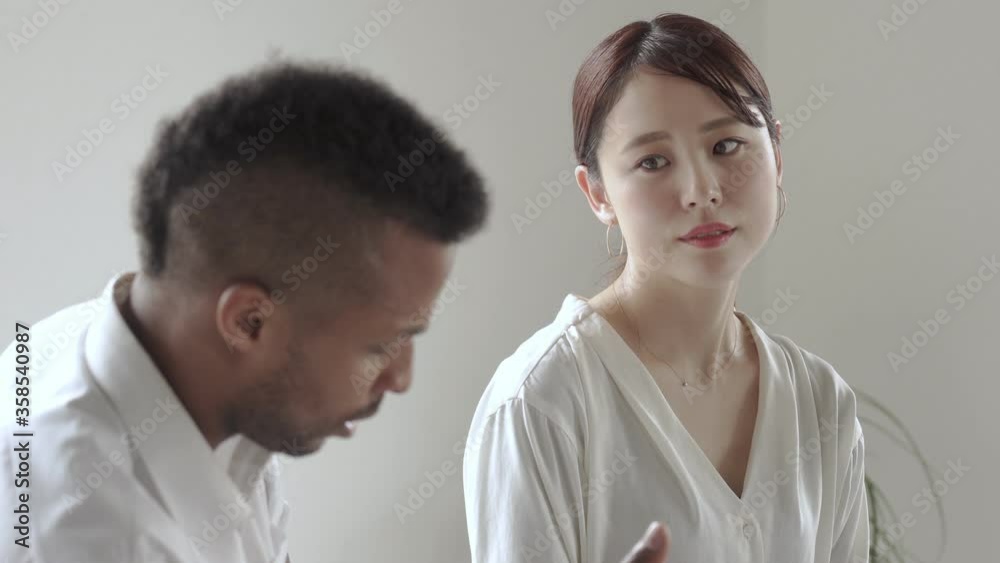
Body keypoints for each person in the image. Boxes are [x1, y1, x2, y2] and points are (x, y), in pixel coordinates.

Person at [2, 61, 670, 563]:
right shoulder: (91, 532)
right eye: (382, 344)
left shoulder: (172, 364)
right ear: (248, 321)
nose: (401, 378)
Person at [464, 13, 869, 563]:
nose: (701, 190)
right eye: (653, 161)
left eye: (726, 145)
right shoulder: (543, 400)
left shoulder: (819, 402)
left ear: (776, 154)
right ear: (597, 194)